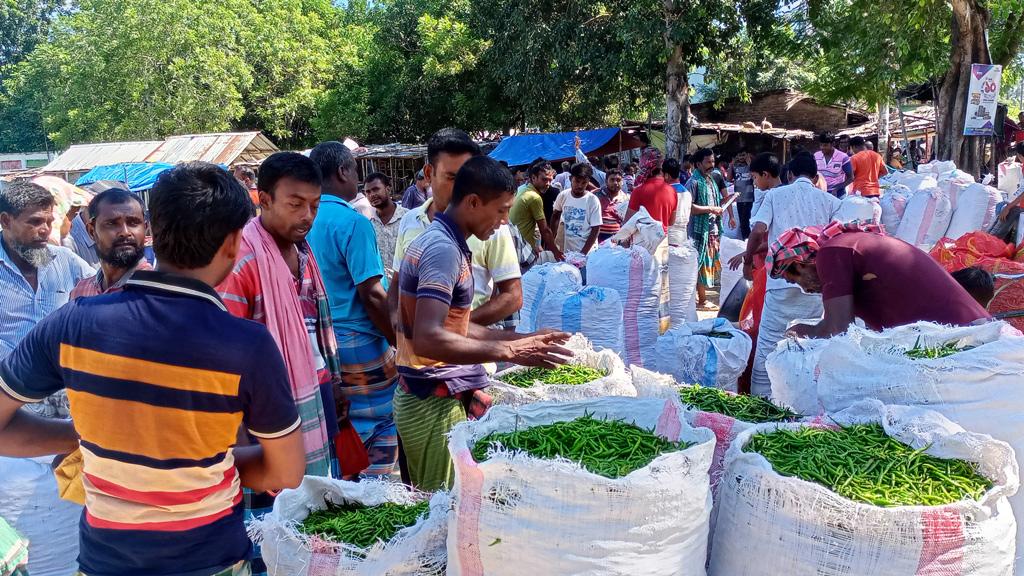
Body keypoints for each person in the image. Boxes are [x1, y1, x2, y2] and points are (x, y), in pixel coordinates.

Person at [0, 162, 305, 576]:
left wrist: (91, 439)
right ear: (234, 243)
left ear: (153, 232)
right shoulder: (246, 345)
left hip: (104, 562)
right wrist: (199, 460)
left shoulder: (73, 321)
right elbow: (286, 470)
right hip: (209, 560)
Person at [393, 155, 571, 490]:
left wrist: (524, 339)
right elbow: (429, 339)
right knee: (443, 512)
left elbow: (453, 328)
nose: (505, 221)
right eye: (502, 210)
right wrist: (507, 351)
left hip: (433, 397)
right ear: (473, 202)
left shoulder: (447, 243)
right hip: (430, 401)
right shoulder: (443, 250)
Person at [216, 152, 346, 576]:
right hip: (264, 417)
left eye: (314, 204)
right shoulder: (244, 261)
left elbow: (315, 328)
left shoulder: (303, 251)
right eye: (295, 204)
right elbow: (227, 364)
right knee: (271, 530)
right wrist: (240, 446)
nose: (307, 215)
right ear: (264, 199)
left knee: (316, 514)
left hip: (314, 395)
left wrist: (336, 384)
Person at [308, 142, 400, 477]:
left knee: (340, 425)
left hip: (319, 345)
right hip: (360, 341)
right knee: (379, 426)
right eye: (355, 172)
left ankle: (347, 490)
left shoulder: (305, 219)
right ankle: (379, 500)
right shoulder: (354, 223)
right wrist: (398, 341)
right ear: (343, 172)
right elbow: (372, 293)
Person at [392, 128, 524, 331]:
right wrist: (400, 337)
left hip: (468, 355)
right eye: (453, 178)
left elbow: (512, 296)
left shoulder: (494, 226)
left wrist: (456, 330)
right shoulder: (411, 221)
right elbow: (396, 288)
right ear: (429, 173)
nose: (463, 188)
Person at [774, 222, 991, 338]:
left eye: (796, 280)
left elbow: (838, 329)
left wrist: (802, 331)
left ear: (800, 264)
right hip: (965, 332)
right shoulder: (851, 249)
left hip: (962, 336)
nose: (806, 289)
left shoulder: (832, 252)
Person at [747, 151, 840, 397]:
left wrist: (748, 260)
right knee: (808, 347)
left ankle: (761, 403)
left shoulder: (775, 196)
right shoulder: (830, 201)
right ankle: (801, 401)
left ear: (789, 174)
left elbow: (758, 230)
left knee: (769, 344)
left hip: (781, 283)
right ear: (816, 176)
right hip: (814, 285)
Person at [0, 181, 93, 360]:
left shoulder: (65, 260)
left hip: (61, 381)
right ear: (5, 221)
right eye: (35, 222)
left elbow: (104, 289)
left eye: (49, 222)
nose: (45, 230)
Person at [70, 189, 152, 298]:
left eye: (133, 223)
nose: (125, 232)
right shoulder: (80, 292)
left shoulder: (155, 291)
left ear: (145, 228)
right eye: (112, 223)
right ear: (91, 231)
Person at [686, 148, 726, 311]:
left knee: (708, 263)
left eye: (713, 161)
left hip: (712, 229)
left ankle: (702, 297)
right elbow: (689, 207)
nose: (712, 165)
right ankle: (701, 300)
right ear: (698, 164)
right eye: (708, 162)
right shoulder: (693, 182)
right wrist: (710, 209)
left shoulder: (711, 180)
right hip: (698, 230)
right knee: (700, 264)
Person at [510, 160, 563, 261]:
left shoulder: (522, 189)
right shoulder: (534, 197)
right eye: (544, 180)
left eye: (550, 180)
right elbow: (545, 230)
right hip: (522, 249)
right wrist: (556, 252)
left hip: (514, 243)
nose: (548, 184)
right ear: (533, 177)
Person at [314, 141, 376, 220]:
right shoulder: (355, 221)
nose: (357, 177)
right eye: (355, 170)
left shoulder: (305, 216)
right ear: (342, 172)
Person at [551, 163, 603, 254]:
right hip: (567, 251)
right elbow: (555, 216)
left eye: (584, 183)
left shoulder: (592, 200)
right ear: (571, 179)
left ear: (588, 182)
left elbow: (596, 229)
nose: (579, 186)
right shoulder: (563, 195)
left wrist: (582, 254)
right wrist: (551, 242)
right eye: (577, 181)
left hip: (588, 252)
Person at [366, 172, 409, 277]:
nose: (372, 195)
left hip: (406, 288)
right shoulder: (368, 224)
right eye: (368, 192)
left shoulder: (408, 218)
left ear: (388, 189)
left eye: (376, 189)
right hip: (381, 289)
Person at [626, 147, 678, 233]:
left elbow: (628, 224)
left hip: (642, 243)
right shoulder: (672, 191)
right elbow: (671, 222)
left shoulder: (638, 191)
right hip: (663, 242)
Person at [814, 132, 852, 197]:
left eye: (825, 145)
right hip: (820, 194)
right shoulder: (816, 156)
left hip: (838, 194)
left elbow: (851, 178)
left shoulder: (843, 157)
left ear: (833, 144)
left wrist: (837, 189)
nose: (822, 147)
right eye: (821, 145)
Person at [729, 148, 755, 239]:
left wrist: (749, 163)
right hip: (739, 197)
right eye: (739, 155)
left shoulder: (751, 166)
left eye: (743, 155)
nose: (741, 157)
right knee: (742, 220)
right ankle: (745, 239)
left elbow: (754, 177)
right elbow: (729, 179)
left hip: (749, 197)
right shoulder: (735, 166)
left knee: (746, 220)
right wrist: (731, 165)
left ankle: (747, 239)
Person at [597, 168, 628, 242]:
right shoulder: (596, 195)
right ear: (606, 181)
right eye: (612, 180)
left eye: (618, 180)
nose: (615, 183)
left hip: (616, 239)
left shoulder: (626, 199)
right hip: (597, 237)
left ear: (622, 182)